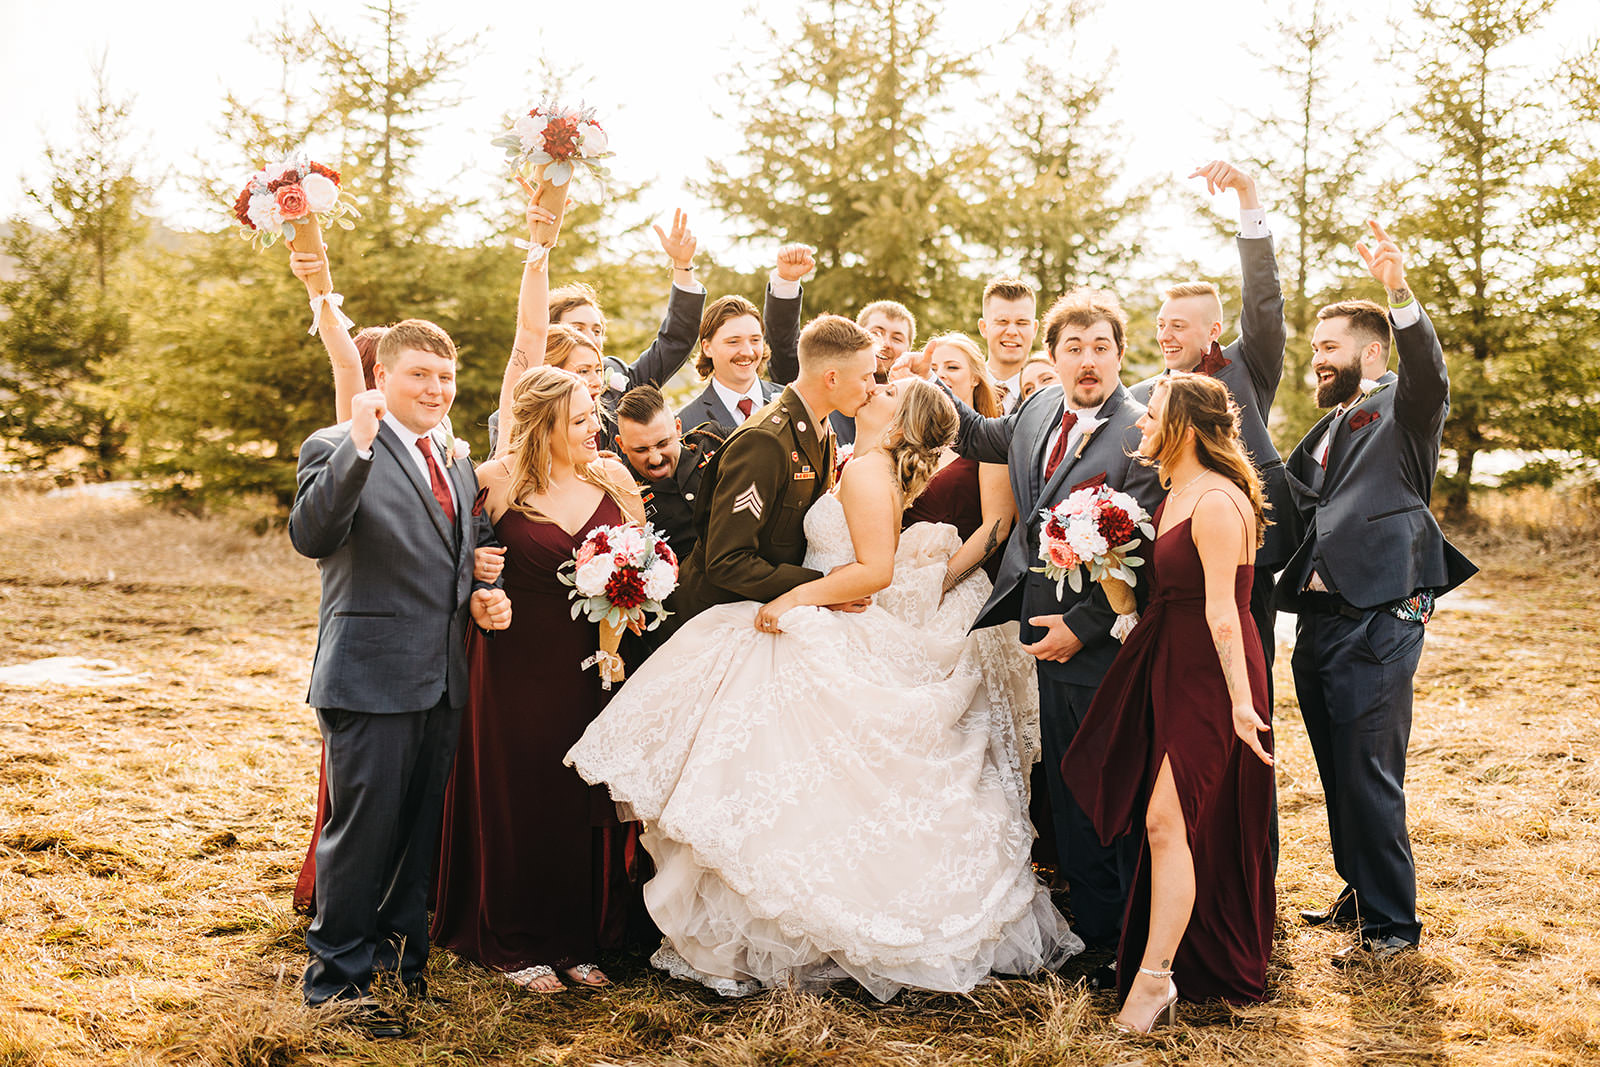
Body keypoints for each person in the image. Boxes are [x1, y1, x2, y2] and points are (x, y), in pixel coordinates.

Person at [566, 378, 1080, 1000]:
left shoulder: (867, 470)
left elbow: (875, 571)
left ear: (900, 422)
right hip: (844, 607)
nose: (875, 388)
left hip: (835, 609)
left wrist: (792, 597)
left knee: (775, 752)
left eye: (890, 392)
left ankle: (798, 919)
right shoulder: (859, 462)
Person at [287, 319, 511, 1035]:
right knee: (360, 838)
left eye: (445, 378)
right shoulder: (335, 444)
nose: (437, 390)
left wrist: (479, 585)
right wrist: (356, 442)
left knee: (417, 834)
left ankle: (397, 969)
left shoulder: (452, 455)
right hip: (368, 676)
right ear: (382, 374)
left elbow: (455, 549)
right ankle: (337, 986)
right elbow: (312, 535)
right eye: (420, 375)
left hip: (441, 675)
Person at [1278, 220, 1476, 966]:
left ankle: (1392, 927)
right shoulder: (1323, 429)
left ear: (1368, 351)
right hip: (1320, 620)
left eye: (1328, 349)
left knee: (1370, 769)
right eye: (1315, 349)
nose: (1317, 361)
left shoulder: (1404, 408)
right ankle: (1357, 892)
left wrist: (1398, 290)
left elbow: (1430, 369)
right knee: (1336, 766)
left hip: (1380, 618)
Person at [950, 287, 1165, 952]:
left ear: (1121, 355)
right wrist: (928, 392)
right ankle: (1092, 929)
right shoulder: (1039, 404)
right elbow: (987, 436)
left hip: (1102, 642)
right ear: (1054, 357)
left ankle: (1120, 938)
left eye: (1101, 346)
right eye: (1074, 348)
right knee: (1069, 784)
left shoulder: (1142, 434)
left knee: (1105, 784)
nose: (1088, 359)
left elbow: (1143, 545)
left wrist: (1085, 623)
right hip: (1039, 633)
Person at [1062, 373, 1276, 1031]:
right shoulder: (1176, 489)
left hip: (1212, 674)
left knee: (1167, 820)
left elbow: (1222, 613)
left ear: (1183, 426)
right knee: (1169, 824)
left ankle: (1154, 983)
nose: (1142, 426)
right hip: (1167, 662)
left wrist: (1242, 704)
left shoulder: (1216, 500)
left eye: (1153, 415)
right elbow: (1152, 595)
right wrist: (1108, 566)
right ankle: (1173, 961)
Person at [431, 365, 649, 993]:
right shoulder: (493, 484)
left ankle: (577, 936)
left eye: (593, 414)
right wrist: (476, 580)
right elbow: (454, 569)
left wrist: (635, 601)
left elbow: (644, 561)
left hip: (594, 662)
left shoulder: (612, 476)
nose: (596, 428)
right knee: (519, 792)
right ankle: (514, 938)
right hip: (514, 663)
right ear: (543, 425)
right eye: (580, 419)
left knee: (580, 795)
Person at [1130, 161, 1290, 701]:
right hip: (1172, 549)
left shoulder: (1249, 364)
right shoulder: (1141, 395)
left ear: (1213, 330)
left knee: (1249, 659)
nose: (1166, 334)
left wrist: (1248, 196)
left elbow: (1265, 301)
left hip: (1246, 542)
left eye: (1179, 325)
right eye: (1161, 323)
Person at [671, 314, 879, 623]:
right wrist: (821, 587)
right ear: (832, 378)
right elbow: (727, 561)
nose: (872, 387)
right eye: (866, 376)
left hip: (771, 611)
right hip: (719, 617)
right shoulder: (765, 442)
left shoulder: (822, 426)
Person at [486, 207, 706, 453]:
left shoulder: (618, 383)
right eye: (577, 328)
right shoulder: (513, 414)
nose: (590, 338)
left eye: (597, 330)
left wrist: (682, 265)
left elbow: (675, 343)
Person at [912, 333, 1014, 588]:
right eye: (933, 369)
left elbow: (997, 527)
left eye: (952, 367)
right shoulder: (912, 440)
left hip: (958, 581)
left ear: (976, 378)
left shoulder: (991, 443)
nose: (941, 374)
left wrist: (939, 583)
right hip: (902, 575)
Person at [677, 245, 811, 432]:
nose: (747, 352)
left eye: (755, 340)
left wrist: (787, 280)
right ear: (707, 347)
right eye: (733, 341)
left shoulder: (793, 404)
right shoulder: (685, 423)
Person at [773, 299, 915, 446]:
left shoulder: (911, 411)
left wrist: (928, 378)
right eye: (876, 333)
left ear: (908, 349)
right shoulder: (824, 397)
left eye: (897, 338)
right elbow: (784, 350)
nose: (885, 344)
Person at [612, 385, 719, 562]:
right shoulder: (622, 496)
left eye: (663, 444)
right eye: (641, 450)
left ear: (678, 427)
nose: (655, 459)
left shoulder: (713, 442)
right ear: (621, 445)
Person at [978, 278, 1040, 413]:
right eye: (1002, 322)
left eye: (1021, 323)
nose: (1012, 332)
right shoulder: (963, 386)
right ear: (983, 328)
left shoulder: (1049, 393)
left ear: (1034, 329)